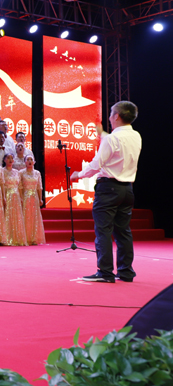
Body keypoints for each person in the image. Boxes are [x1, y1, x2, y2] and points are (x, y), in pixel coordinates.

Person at [71, 101, 142, 283]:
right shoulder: (136, 136)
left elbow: (97, 164)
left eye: (111, 113)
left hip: (108, 189)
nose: (109, 117)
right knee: (123, 232)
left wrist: (78, 174)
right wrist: (101, 133)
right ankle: (126, 272)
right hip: (127, 189)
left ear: (116, 116)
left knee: (103, 230)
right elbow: (116, 143)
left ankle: (105, 272)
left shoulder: (111, 139)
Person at [2, 153, 27, 246]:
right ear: (4, 160)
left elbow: (19, 186)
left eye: (11, 158)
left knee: (16, 216)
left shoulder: (17, 172)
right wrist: (3, 196)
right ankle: (6, 238)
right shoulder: (2, 171)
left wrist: (20, 197)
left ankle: (16, 238)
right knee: (7, 216)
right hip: (7, 194)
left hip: (15, 195)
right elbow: (1, 184)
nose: (10, 160)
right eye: (8, 158)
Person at [20, 156, 46, 245]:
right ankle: (25, 238)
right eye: (28, 160)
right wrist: (20, 197)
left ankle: (34, 238)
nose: (30, 161)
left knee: (34, 217)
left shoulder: (37, 173)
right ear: (25, 162)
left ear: (34, 162)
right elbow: (20, 187)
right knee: (26, 216)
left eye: (31, 159)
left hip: (34, 197)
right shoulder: (21, 173)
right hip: (25, 196)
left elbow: (39, 187)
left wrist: (40, 198)